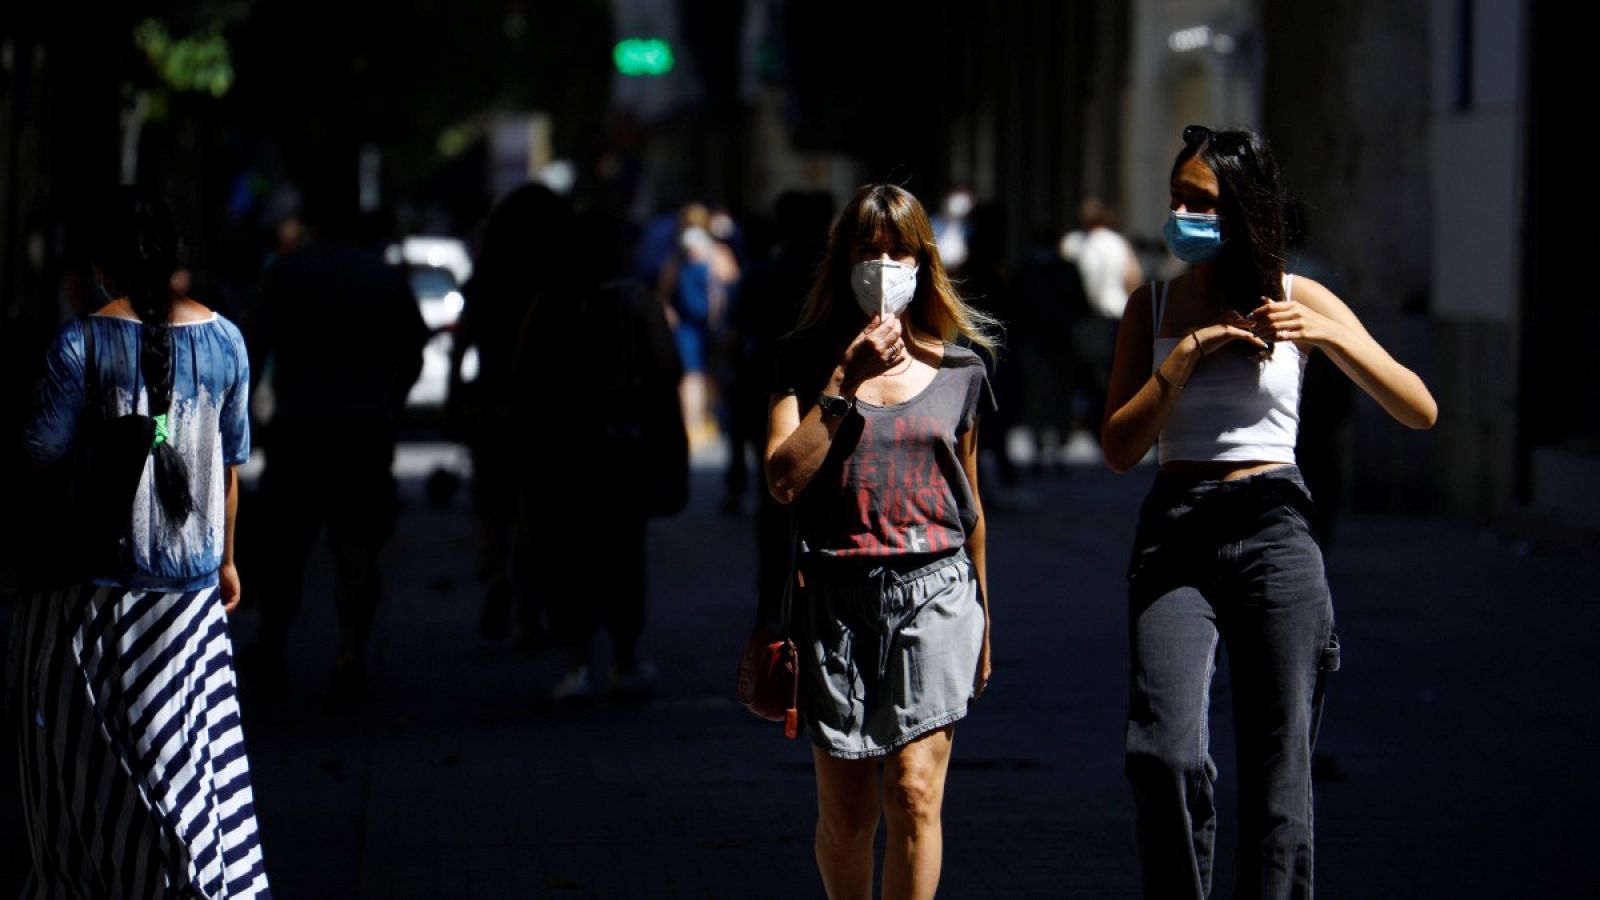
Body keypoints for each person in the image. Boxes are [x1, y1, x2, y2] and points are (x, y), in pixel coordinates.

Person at [1102, 126, 1437, 899]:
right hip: (1176, 528)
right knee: (1163, 754)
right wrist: (1180, 362)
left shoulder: (1299, 296)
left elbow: (1419, 407)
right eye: (1177, 199)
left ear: (1246, 210)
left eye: (1203, 202)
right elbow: (1119, 448)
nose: (1184, 214)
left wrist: (1325, 336)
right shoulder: (1149, 304)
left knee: (1279, 771)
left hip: (1275, 526)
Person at [13, 187, 271, 896]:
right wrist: (225, 561)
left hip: (89, 621)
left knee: (90, 807)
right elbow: (227, 473)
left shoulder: (80, 342)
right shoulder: (226, 343)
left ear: (101, 266)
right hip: (187, 621)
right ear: (176, 260)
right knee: (194, 796)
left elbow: (39, 463)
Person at [764, 184, 996, 899]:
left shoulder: (960, 369)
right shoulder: (803, 361)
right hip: (836, 597)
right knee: (850, 816)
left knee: (915, 794)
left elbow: (972, 506)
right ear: (843, 263)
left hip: (937, 591)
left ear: (924, 262)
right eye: (869, 252)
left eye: (900, 251)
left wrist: (986, 617)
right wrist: (844, 382)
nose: (885, 265)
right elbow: (782, 478)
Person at [252, 191, 429, 701]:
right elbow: (413, 351)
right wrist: (390, 402)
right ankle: (350, 653)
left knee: (285, 547)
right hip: (363, 429)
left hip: (298, 427)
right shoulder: (383, 277)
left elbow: (252, 347)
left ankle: (274, 646)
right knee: (357, 547)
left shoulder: (285, 273)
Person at [517, 208, 687, 701]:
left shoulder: (550, 303)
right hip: (622, 449)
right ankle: (624, 659)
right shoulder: (637, 302)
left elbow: (525, 375)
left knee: (566, 555)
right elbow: (666, 370)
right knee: (622, 554)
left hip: (563, 452)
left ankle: (575, 665)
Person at [451, 184, 569, 644]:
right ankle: (528, 609)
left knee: (491, 502)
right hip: (547, 403)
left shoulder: (487, 275)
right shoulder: (557, 275)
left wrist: (455, 395)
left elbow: (464, 340)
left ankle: (496, 573)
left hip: (492, 399)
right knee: (536, 507)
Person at [1063, 197, 1144, 440]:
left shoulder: (1072, 243)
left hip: (1083, 319)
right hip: (1113, 316)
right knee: (1111, 374)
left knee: (1086, 375)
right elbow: (1133, 280)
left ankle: (1089, 420)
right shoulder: (1118, 243)